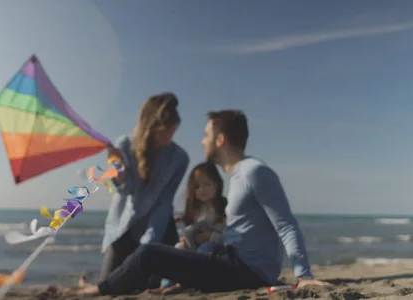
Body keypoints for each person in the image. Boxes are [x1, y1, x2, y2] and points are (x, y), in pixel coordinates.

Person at [76, 110, 329, 296]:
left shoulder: (254, 172)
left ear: (220, 140)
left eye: (206, 135)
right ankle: (116, 282)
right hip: (232, 259)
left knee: (149, 253)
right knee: (173, 250)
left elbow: (285, 225)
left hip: (244, 270)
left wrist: (303, 276)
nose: (202, 141)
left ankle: (101, 289)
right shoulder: (239, 175)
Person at [98, 92, 190, 283]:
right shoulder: (124, 144)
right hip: (123, 226)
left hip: (160, 227)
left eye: (174, 127)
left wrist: (148, 245)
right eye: (167, 127)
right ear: (151, 124)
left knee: (152, 285)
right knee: (108, 284)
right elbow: (127, 191)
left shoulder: (179, 158)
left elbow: (164, 203)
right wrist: (119, 175)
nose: (171, 132)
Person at [157, 162, 228, 292]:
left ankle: (185, 283)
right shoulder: (195, 209)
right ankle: (165, 285)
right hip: (196, 248)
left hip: (216, 251)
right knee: (178, 248)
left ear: (217, 184)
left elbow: (230, 238)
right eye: (197, 187)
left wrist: (210, 236)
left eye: (207, 184)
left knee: (206, 247)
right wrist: (187, 239)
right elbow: (192, 230)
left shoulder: (223, 209)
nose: (202, 189)